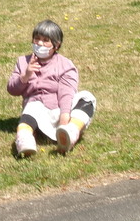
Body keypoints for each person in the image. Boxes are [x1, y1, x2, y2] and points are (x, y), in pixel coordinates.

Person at [7, 20, 96, 157]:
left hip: (61, 112)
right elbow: (12, 89)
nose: (40, 43)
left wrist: (64, 120)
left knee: (87, 97)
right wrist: (25, 76)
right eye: (37, 39)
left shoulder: (65, 64)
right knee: (33, 105)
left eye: (45, 40)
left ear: (56, 45)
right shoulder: (23, 61)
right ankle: (24, 140)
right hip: (37, 115)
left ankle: (70, 132)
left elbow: (66, 93)